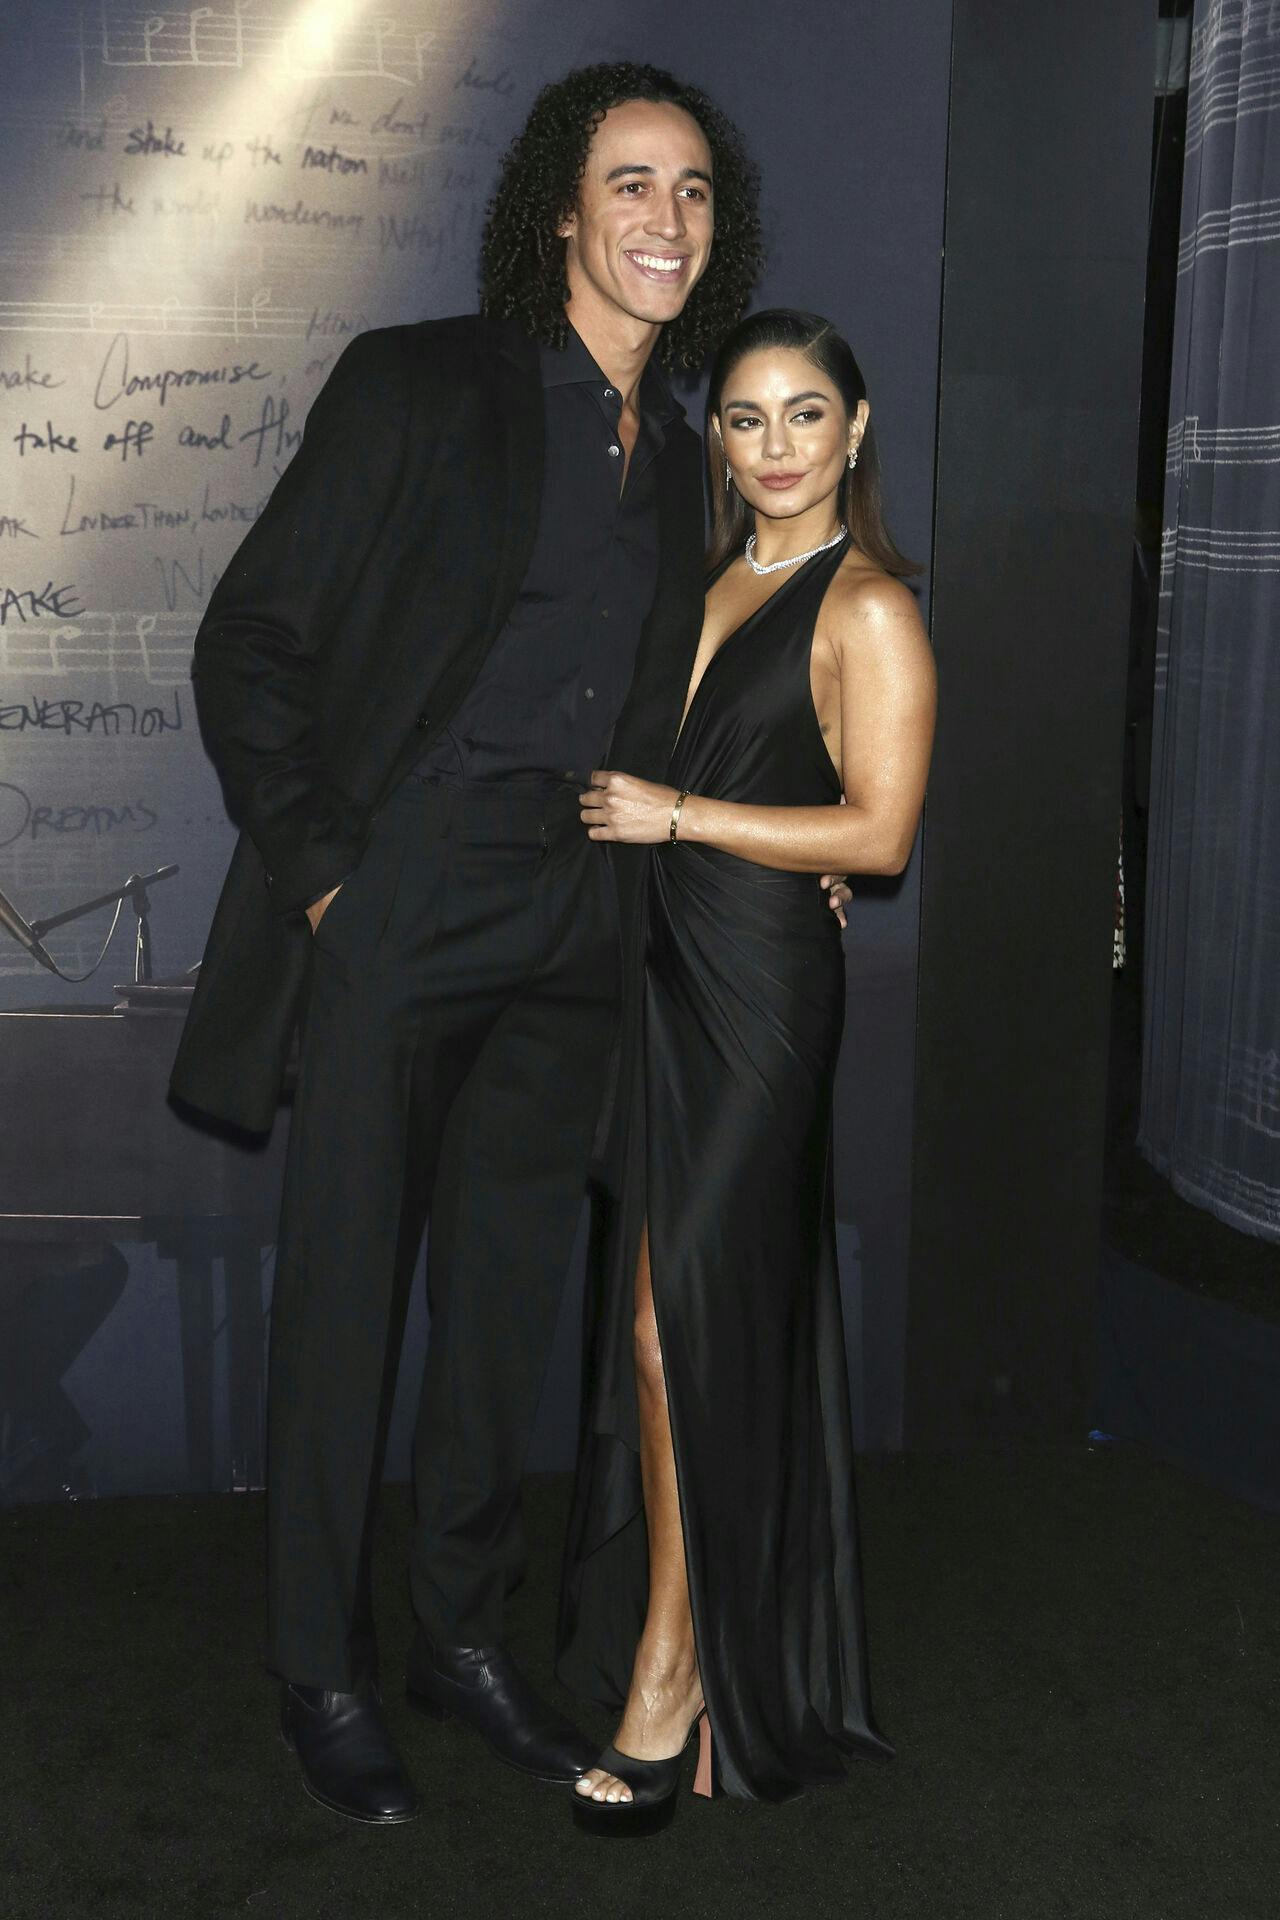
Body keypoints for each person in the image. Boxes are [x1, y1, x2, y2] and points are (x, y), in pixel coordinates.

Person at [168, 63, 765, 1825]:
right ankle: (319, 1667)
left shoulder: (693, 453)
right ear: (562, 214)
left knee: (508, 1307)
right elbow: (249, 640)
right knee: (347, 1292)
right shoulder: (422, 381)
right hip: (405, 891)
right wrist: (336, 879)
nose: (666, 219)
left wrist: (786, 844)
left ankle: (462, 1636)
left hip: (581, 905)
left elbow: (735, 685)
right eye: (631, 184)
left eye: (695, 193)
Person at [559, 309, 937, 1829]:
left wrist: (691, 824)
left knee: (671, 1323)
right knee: (671, 1319)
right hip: (659, 978)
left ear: (856, 431)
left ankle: (677, 1663)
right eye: (745, 420)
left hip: (764, 992)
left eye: (804, 416)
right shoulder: (710, 577)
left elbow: (884, 838)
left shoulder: (876, 611)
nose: (774, 448)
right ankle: (709, 1637)